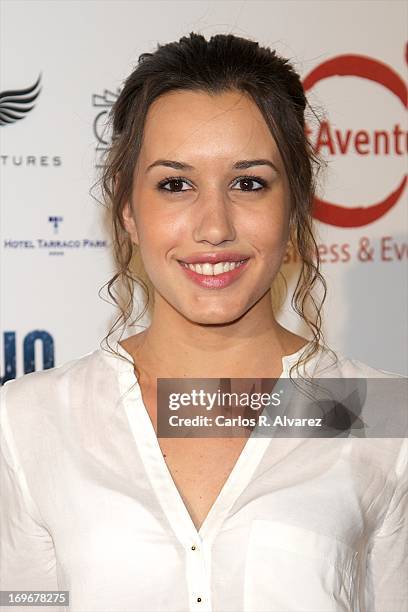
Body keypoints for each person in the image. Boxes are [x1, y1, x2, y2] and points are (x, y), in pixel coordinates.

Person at [0, 32, 406, 612]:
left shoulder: (379, 414)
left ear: (294, 208)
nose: (214, 226)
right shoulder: (31, 419)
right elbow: (23, 603)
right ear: (128, 212)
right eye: (175, 184)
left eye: (249, 183)